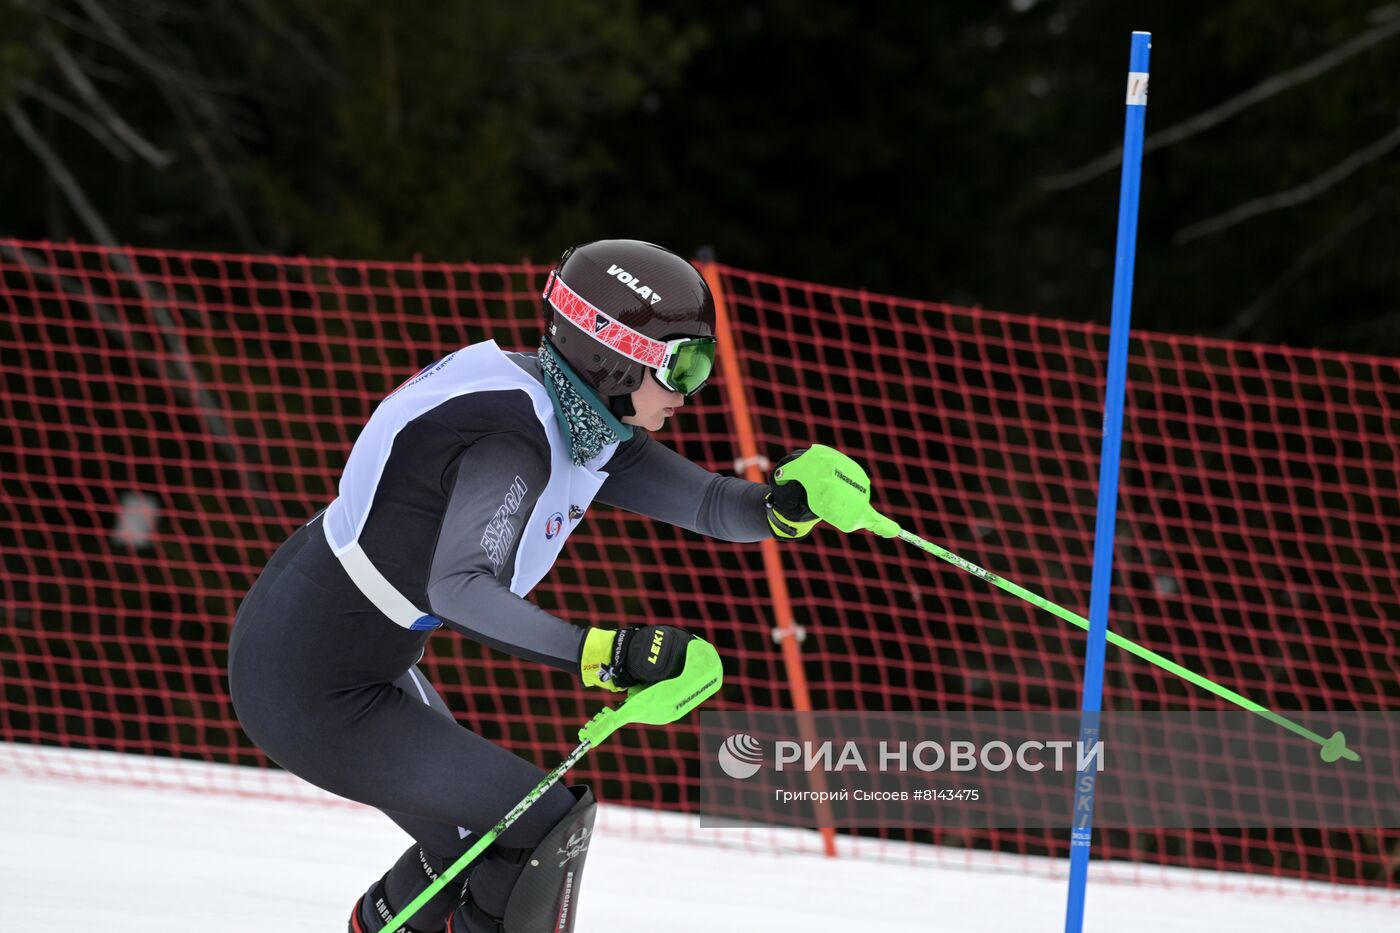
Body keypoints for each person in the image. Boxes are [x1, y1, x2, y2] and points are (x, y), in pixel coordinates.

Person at [227, 239, 828, 932]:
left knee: (470, 844)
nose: (691, 393)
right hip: (305, 681)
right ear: (615, 356)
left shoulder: (584, 420)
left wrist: (787, 507)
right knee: (538, 827)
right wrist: (606, 651)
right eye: (683, 366)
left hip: (357, 656)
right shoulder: (515, 439)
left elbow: (713, 506)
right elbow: (458, 587)